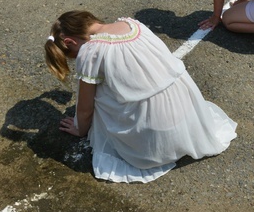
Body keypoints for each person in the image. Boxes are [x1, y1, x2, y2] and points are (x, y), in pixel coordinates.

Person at [46, 11, 238, 183]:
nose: (77, 58)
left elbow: (86, 108)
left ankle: (153, 145)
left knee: (96, 93)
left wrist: (80, 129)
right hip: (186, 119)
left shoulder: (91, 50)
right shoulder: (133, 25)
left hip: (154, 139)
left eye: (73, 54)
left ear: (70, 42)